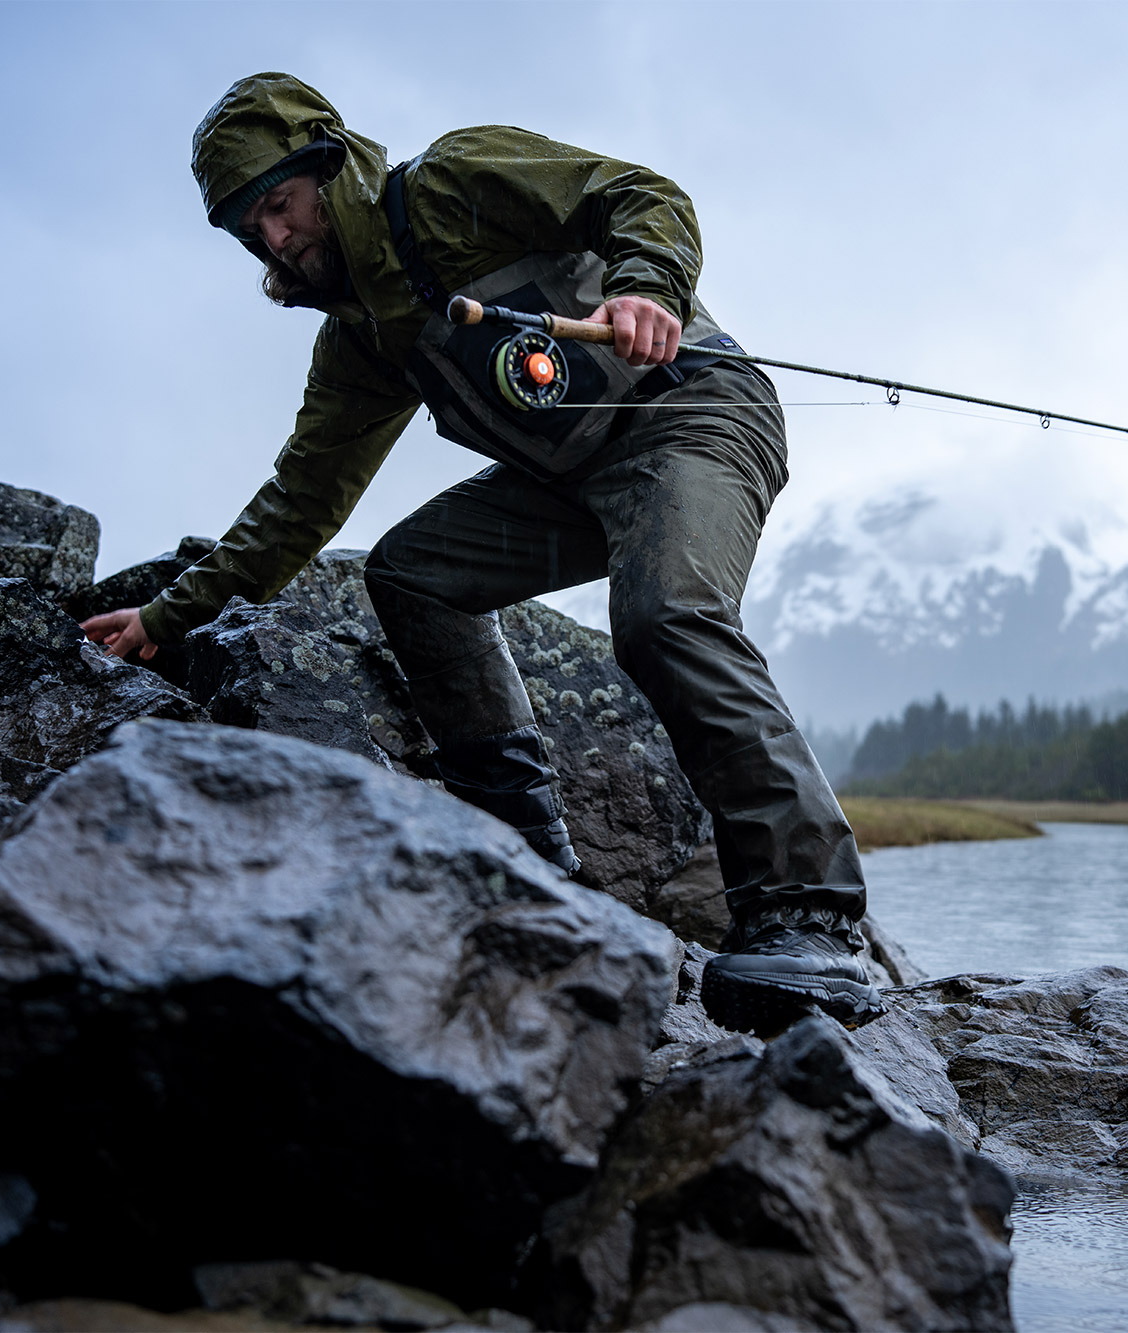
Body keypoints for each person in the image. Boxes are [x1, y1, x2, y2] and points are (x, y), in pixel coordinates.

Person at [79, 73, 880, 1034]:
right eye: (251, 230)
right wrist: (166, 619)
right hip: (569, 482)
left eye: (281, 208)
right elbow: (299, 503)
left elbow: (640, 195)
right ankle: (525, 855)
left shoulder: (454, 182)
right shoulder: (363, 344)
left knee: (665, 614)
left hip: (694, 413)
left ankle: (808, 913)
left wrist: (646, 286)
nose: (274, 240)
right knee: (411, 570)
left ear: (328, 168)